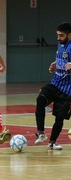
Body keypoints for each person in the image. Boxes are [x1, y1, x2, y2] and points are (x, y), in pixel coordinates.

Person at [35, 22, 71, 150]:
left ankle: (52, 142)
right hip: (55, 83)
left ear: (69, 35)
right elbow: (62, 59)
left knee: (59, 118)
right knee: (40, 99)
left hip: (67, 91)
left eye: (61, 36)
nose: (58, 38)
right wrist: (55, 64)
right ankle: (41, 133)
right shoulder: (60, 45)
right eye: (57, 35)